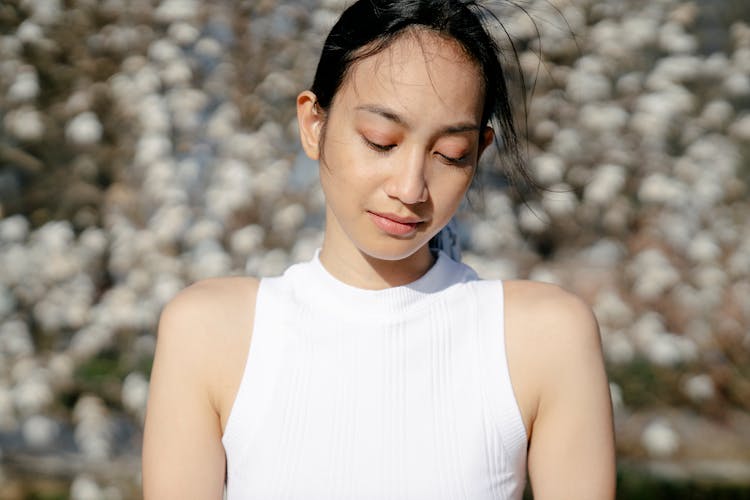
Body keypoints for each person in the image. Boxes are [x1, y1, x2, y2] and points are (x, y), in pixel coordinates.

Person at [142, 1, 616, 499]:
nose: (411, 187)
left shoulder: (544, 337)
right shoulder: (210, 331)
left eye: (449, 155)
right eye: (381, 141)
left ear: (478, 153)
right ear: (313, 125)